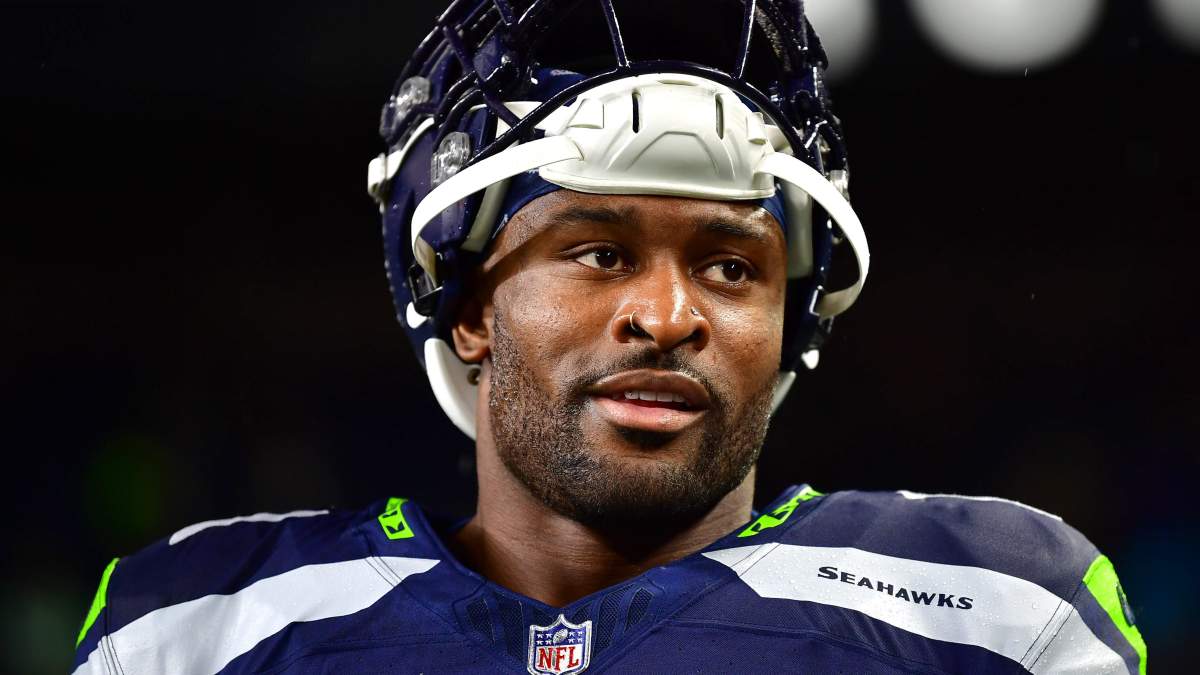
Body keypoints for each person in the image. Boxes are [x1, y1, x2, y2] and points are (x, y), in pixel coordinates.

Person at [72, 1, 1146, 673]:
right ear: (468, 308)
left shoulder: (988, 611)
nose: (669, 317)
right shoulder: (201, 626)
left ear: (792, 317)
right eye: (598, 253)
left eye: (731, 267)